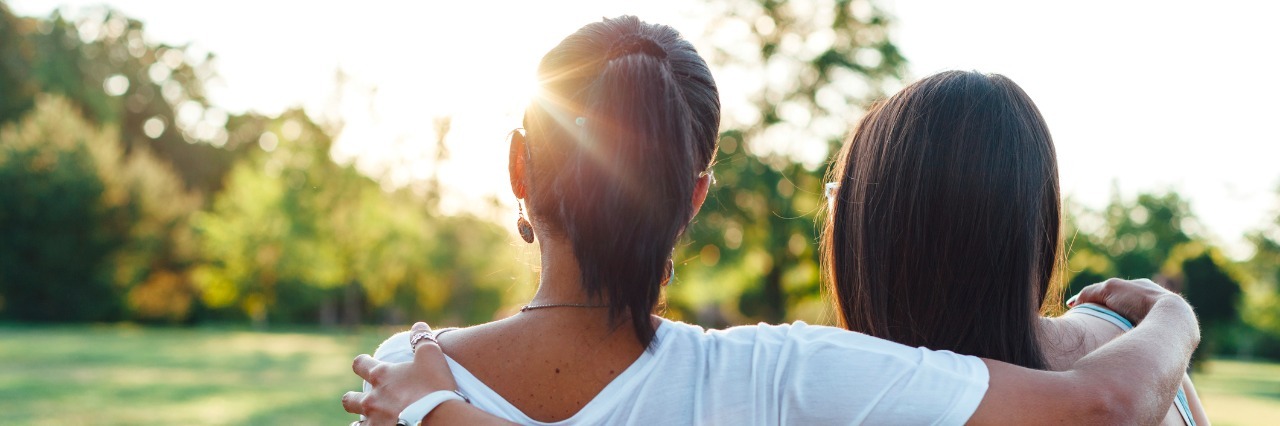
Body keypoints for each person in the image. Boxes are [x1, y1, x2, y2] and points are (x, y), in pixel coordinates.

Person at [341, 16, 1199, 425]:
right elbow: (1109, 406)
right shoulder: (786, 373)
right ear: (693, 198)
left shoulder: (403, 377)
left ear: (519, 167)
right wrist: (1174, 312)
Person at [821, 70, 1207, 425]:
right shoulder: (1143, 344)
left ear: (882, 234)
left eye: (842, 200)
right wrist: (1174, 313)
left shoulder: (850, 389)